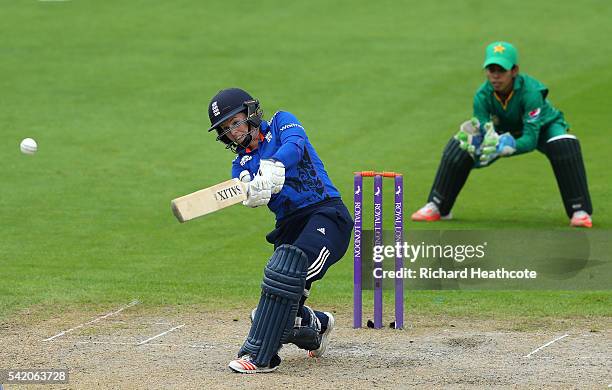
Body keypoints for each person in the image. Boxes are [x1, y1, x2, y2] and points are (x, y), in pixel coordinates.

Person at [207, 88, 353, 373]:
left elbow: (295, 146)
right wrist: (252, 191)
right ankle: (316, 324)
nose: (233, 132)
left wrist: (273, 165)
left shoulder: (281, 122)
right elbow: (246, 186)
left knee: (282, 284)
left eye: (235, 122)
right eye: (225, 129)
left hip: (326, 214)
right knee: (281, 308)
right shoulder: (240, 166)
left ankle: (260, 356)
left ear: (250, 113)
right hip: (289, 230)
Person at [412, 41, 593, 228]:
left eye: (501, 70)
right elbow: (482, 125)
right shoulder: (482, 96)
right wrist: (484, 146)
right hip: (503, 128)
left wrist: (508, 146)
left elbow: (530, 139)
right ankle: (437, 206)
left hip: (543, 127)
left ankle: (579, 211)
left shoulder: (531, 93)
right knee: (461, 144)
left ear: (514, 71)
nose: (495, 76)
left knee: (562, 144)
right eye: (491, 70)